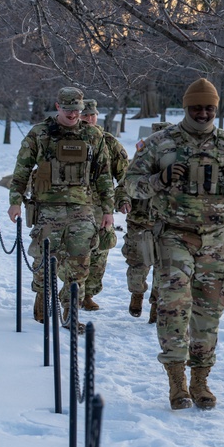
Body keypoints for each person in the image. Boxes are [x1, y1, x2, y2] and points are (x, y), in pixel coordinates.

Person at [125, 78, 224, 410]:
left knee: (209, 309)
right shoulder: (160, 143)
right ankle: (177, 382)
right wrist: (159, 180)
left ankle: (200, 381)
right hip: (174, 235)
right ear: (186, 107)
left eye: (209, 108)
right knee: (173, 306)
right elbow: (131, 184)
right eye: (196, 108)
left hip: (216, 240)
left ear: (216, 109)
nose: (203, 113)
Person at [7, 87, 115, 329]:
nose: (73, 114)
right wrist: (15, 201)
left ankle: (70, 312)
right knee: (44, 260)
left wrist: (108, 209)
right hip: (48, 209)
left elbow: (104, 174)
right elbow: (22, 169)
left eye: (76, 110)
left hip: (82, 209)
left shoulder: (93, 135)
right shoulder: (40, 133)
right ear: (58, 106)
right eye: (67, 110)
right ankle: (42, 299)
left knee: (80, 262)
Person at [79, 99, 130, 311]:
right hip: (75, 204)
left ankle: (88, 293)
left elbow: (124, 174)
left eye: (92, 115)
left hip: (101, 205)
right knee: (74, 250)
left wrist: (122, 198)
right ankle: (72, 290)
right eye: (85, 115)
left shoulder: (108, 142)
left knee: (100, 250)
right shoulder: (68, 138)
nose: (89, 119)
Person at [121, 121, 170, 323]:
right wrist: (123, 200)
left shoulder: (176, 166)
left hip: (166, 224)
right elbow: (124, 185)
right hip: (140, 222)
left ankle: (156, 305)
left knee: (163, 268)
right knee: (138, 266)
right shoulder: (140, 162)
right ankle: (137, 293)